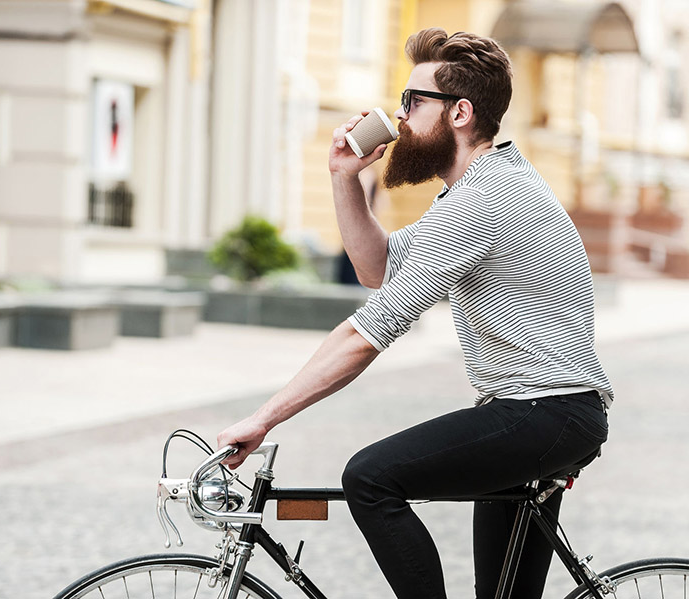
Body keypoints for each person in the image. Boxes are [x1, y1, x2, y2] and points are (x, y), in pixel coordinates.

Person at [218, 27, 613, 599]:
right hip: (546, 413)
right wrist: (343, 179)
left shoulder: (486, 198)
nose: (399, 117)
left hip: (542, 412)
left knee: (371, 477)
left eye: (412, 101)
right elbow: (380, 269)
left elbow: (369, 330)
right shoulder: (477, 189)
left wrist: (264, 418)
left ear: (459, 112)